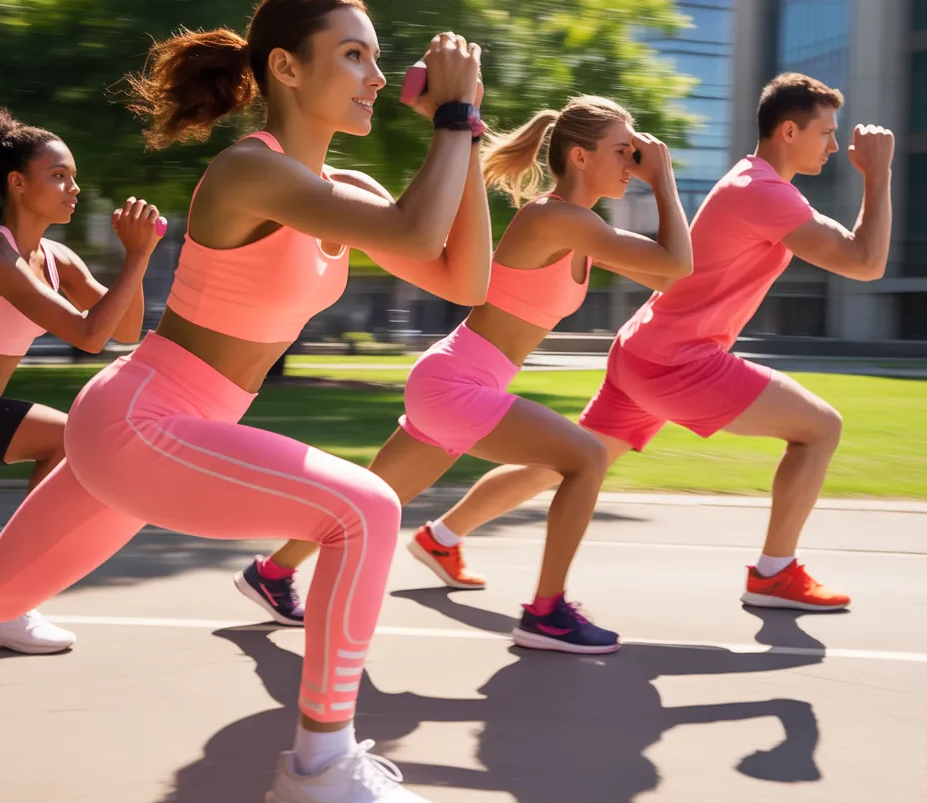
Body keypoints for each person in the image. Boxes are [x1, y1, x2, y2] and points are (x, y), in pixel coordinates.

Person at [0, 0, 491, 803]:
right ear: (285, 68)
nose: (373, 75)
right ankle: (322, 769)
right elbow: (412, 231)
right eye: (353, 55)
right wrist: (450, 119)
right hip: (144, 420)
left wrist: (467, 131)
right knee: (365, 509)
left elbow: (461, 278)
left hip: (159, 426)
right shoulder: (252, 169)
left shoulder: (349, 184)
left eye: (375, 54)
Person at [411, 72, 894, 612]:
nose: (834, 144)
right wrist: (877, 176)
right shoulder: (764, 192)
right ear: (788, 131)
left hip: (646, 349)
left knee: (567, 460)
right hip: (680, 361)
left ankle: (442, 536)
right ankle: (774, 574)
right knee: (820, 428)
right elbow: (865, 262)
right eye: (827, 132)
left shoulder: (753, 183)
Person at [239, 94, 693, 654]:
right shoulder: (556, 219)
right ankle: (546, 614)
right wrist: (664, 181)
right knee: (587, 457)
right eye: (623, 152)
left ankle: (272, 574)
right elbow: (677, 264)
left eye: (637, 155)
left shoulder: (580, 228)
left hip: (457, 381)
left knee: (375, 497)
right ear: (579, 156)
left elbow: (672, 276)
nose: (634, 164)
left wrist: (655, 179)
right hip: (458, 385)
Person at [0, 101, 164, 653]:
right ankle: (8, 601)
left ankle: (6, 603)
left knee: (69, 441)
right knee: (71, 438)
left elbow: (129, 326)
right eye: (58, 175)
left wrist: (134, 258)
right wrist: (138, 256)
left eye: (74, 177)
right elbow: (91, 336)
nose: (72, 187)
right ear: (18, 183)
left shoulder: (56, 258)